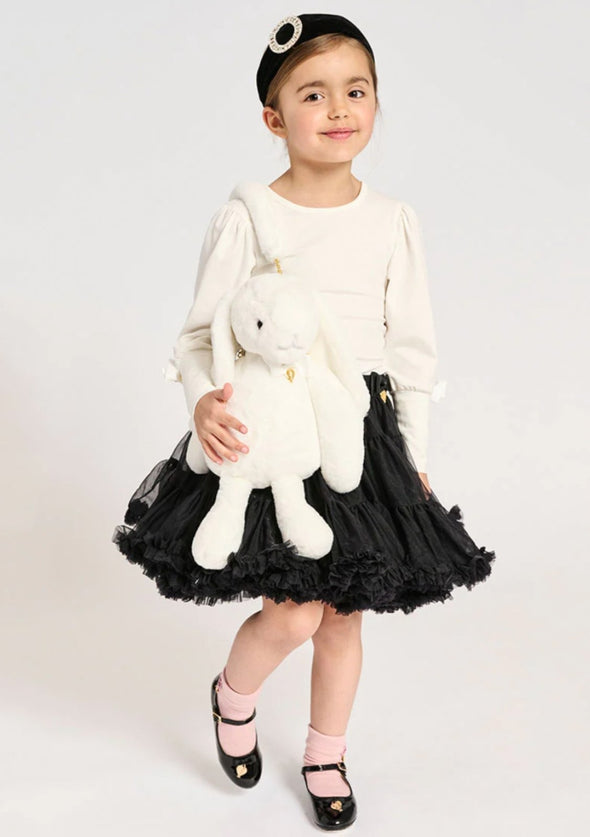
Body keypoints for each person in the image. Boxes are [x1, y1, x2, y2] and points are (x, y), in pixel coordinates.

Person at [112, 13, 496, 831]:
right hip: (279, 424)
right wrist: (204, 401)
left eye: (356, 90)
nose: (338, 108)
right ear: (273, 117)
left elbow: (411, 351)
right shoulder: (252, 214)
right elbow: (198, 335)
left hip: (361, 430)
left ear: (377, 103)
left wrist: (415, 453)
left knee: (344, 612)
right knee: (294, 609)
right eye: (313, 94)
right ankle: (233, 693)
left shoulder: (392, 220)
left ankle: (327, 751)